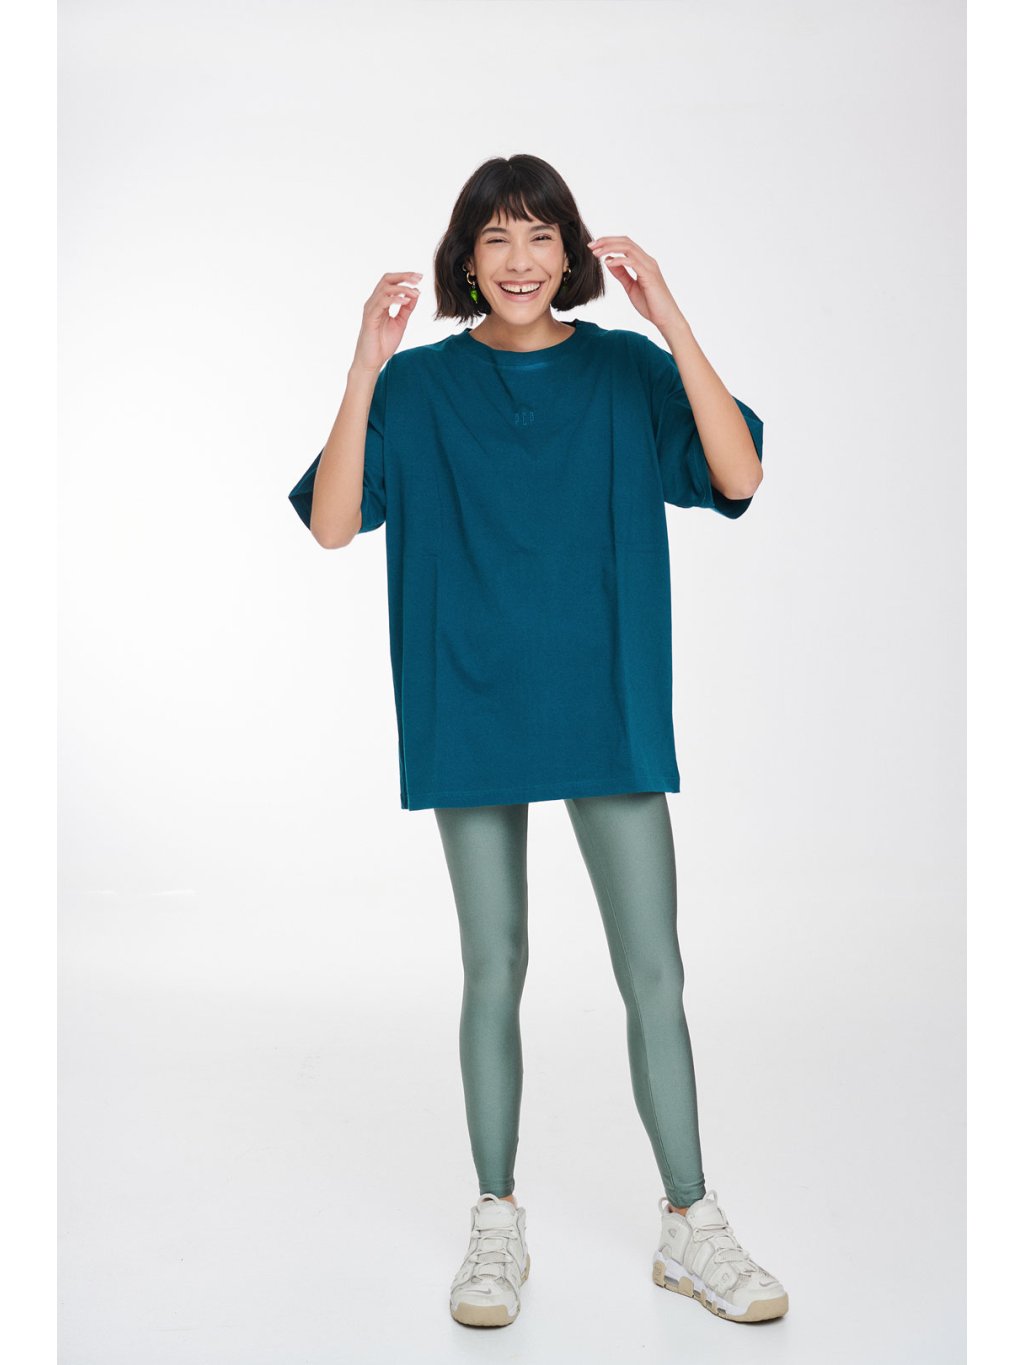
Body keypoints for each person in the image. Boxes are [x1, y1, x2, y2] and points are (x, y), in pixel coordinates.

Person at [287, 154, 788, 1330]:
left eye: (541, 235)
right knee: (493, 966)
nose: (520, 260)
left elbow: (739, 471)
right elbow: (330, 524)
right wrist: (362, 369)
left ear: (571, 254)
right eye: (497, 238)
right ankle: (495, 1221)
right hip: (469, 699)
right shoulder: (419, 386)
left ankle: (691, 1223)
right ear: (466, 260)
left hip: (604, 698)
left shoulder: (623, 370)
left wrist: (669, 320)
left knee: (652, 969)